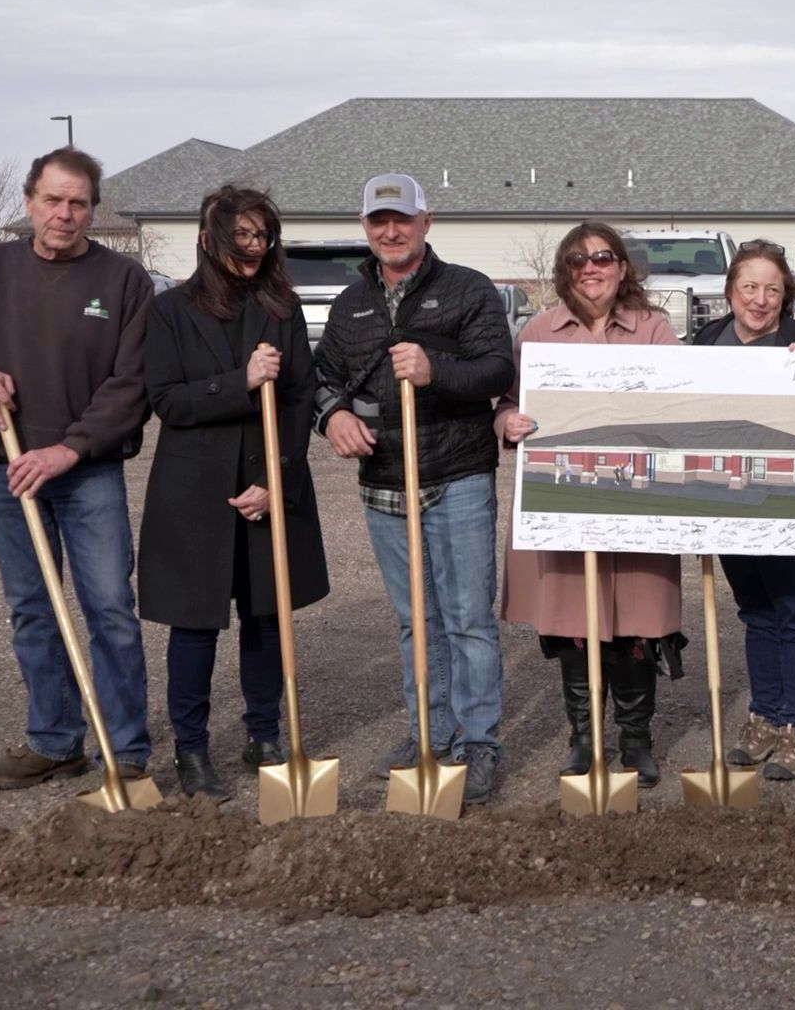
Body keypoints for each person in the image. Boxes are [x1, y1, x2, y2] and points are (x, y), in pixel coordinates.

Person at [0, 147, 155, 787]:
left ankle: (126, 750)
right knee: (33, 608)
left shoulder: (123, 281)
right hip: (7, 471)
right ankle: (55, 741)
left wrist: (69, 449)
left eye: (78, 202)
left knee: (108, 606)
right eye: (52, 200)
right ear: (28, 202)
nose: (65, 214)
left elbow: (130, 386)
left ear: (92, 209)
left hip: (87, 474)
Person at [312, 173, 513, 804]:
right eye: (379, 221)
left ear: (426, 221)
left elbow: (497, 369)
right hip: (384, 484)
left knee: (469, 619)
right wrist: (333, 416)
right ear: (365, 226)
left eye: (402, 219)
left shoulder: (467, 290)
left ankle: (477, 741)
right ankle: (428, 728)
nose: (390, 231)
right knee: (414, 621)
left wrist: (436, 370)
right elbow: (323, 378)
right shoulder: (350, 306)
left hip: (456, 474)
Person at [138, 186, 330, 799]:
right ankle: (191, 752)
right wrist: (239, 381)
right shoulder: (169, 311)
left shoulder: (282, 308)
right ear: (208, 238)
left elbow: (300, 398)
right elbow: (166, 401)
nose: (253, 246)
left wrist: (276, 481)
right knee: (194, 625)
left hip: (266, 478)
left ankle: (263, 734)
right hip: (195, 492)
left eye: (261, 235)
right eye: (241, 235)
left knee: (267, 616)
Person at [497, 222, 686, 788]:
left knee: (636, 621)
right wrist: (507, 420)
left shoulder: (653, 329)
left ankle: (635, 738)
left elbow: (682, 400)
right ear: (565, 271)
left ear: (622, 267)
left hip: (638, 502)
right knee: (574, 623)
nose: (591, 267)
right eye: (577, 259)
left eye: (603, 257)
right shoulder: (539, 331)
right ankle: (585, 737)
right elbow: (509, 401)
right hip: (565, 499)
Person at [691, 239, 795, 781]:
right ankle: (764, 717)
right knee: (756, 614)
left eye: (771, 289)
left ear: (785, 295)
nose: (760, 299)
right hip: (727, 502)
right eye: (749, 287)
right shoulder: (704, 342)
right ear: (730, 292)